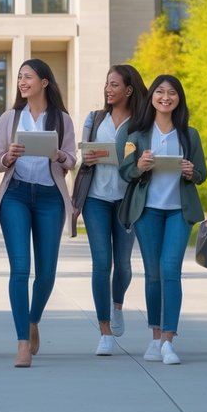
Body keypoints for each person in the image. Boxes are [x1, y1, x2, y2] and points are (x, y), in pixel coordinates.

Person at [0, 58, 77, 368]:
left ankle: (33, 319)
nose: (22, 82)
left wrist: (59, 154)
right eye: (19, 78)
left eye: (28, 77)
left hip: (50, 198)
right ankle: (22, 343)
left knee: (47, 273)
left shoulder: (62, 119)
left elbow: (72, 161)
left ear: (44, 82)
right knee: (20, 269)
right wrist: (8, 157)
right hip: (15, 195)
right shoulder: (10, 118)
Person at [119, 74, 207, 366]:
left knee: (171, 269)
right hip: (148, 211)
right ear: (152, 97)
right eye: (160, 92)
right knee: (153, 273)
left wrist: (191, 172)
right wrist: (139, 166)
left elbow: (201, 174)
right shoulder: (136, 135)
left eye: (172, 93)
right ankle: (155, 337)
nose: (165, 97)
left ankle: (169, 339)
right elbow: (125, 172)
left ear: (179, 99)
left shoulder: (189, 135)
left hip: (178, 212)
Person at [77, 64, 146, 357]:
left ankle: (117, 304)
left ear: (129, 90)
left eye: (114, 84)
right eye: (107, 84)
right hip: (96, 198)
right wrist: (88, 157)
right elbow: (83, 153)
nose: (108, 89)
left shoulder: (141, 123)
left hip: (127, 199)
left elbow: (144, 158)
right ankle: (104, 330)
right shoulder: (95, 119)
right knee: (101, 262)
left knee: (124, 263)